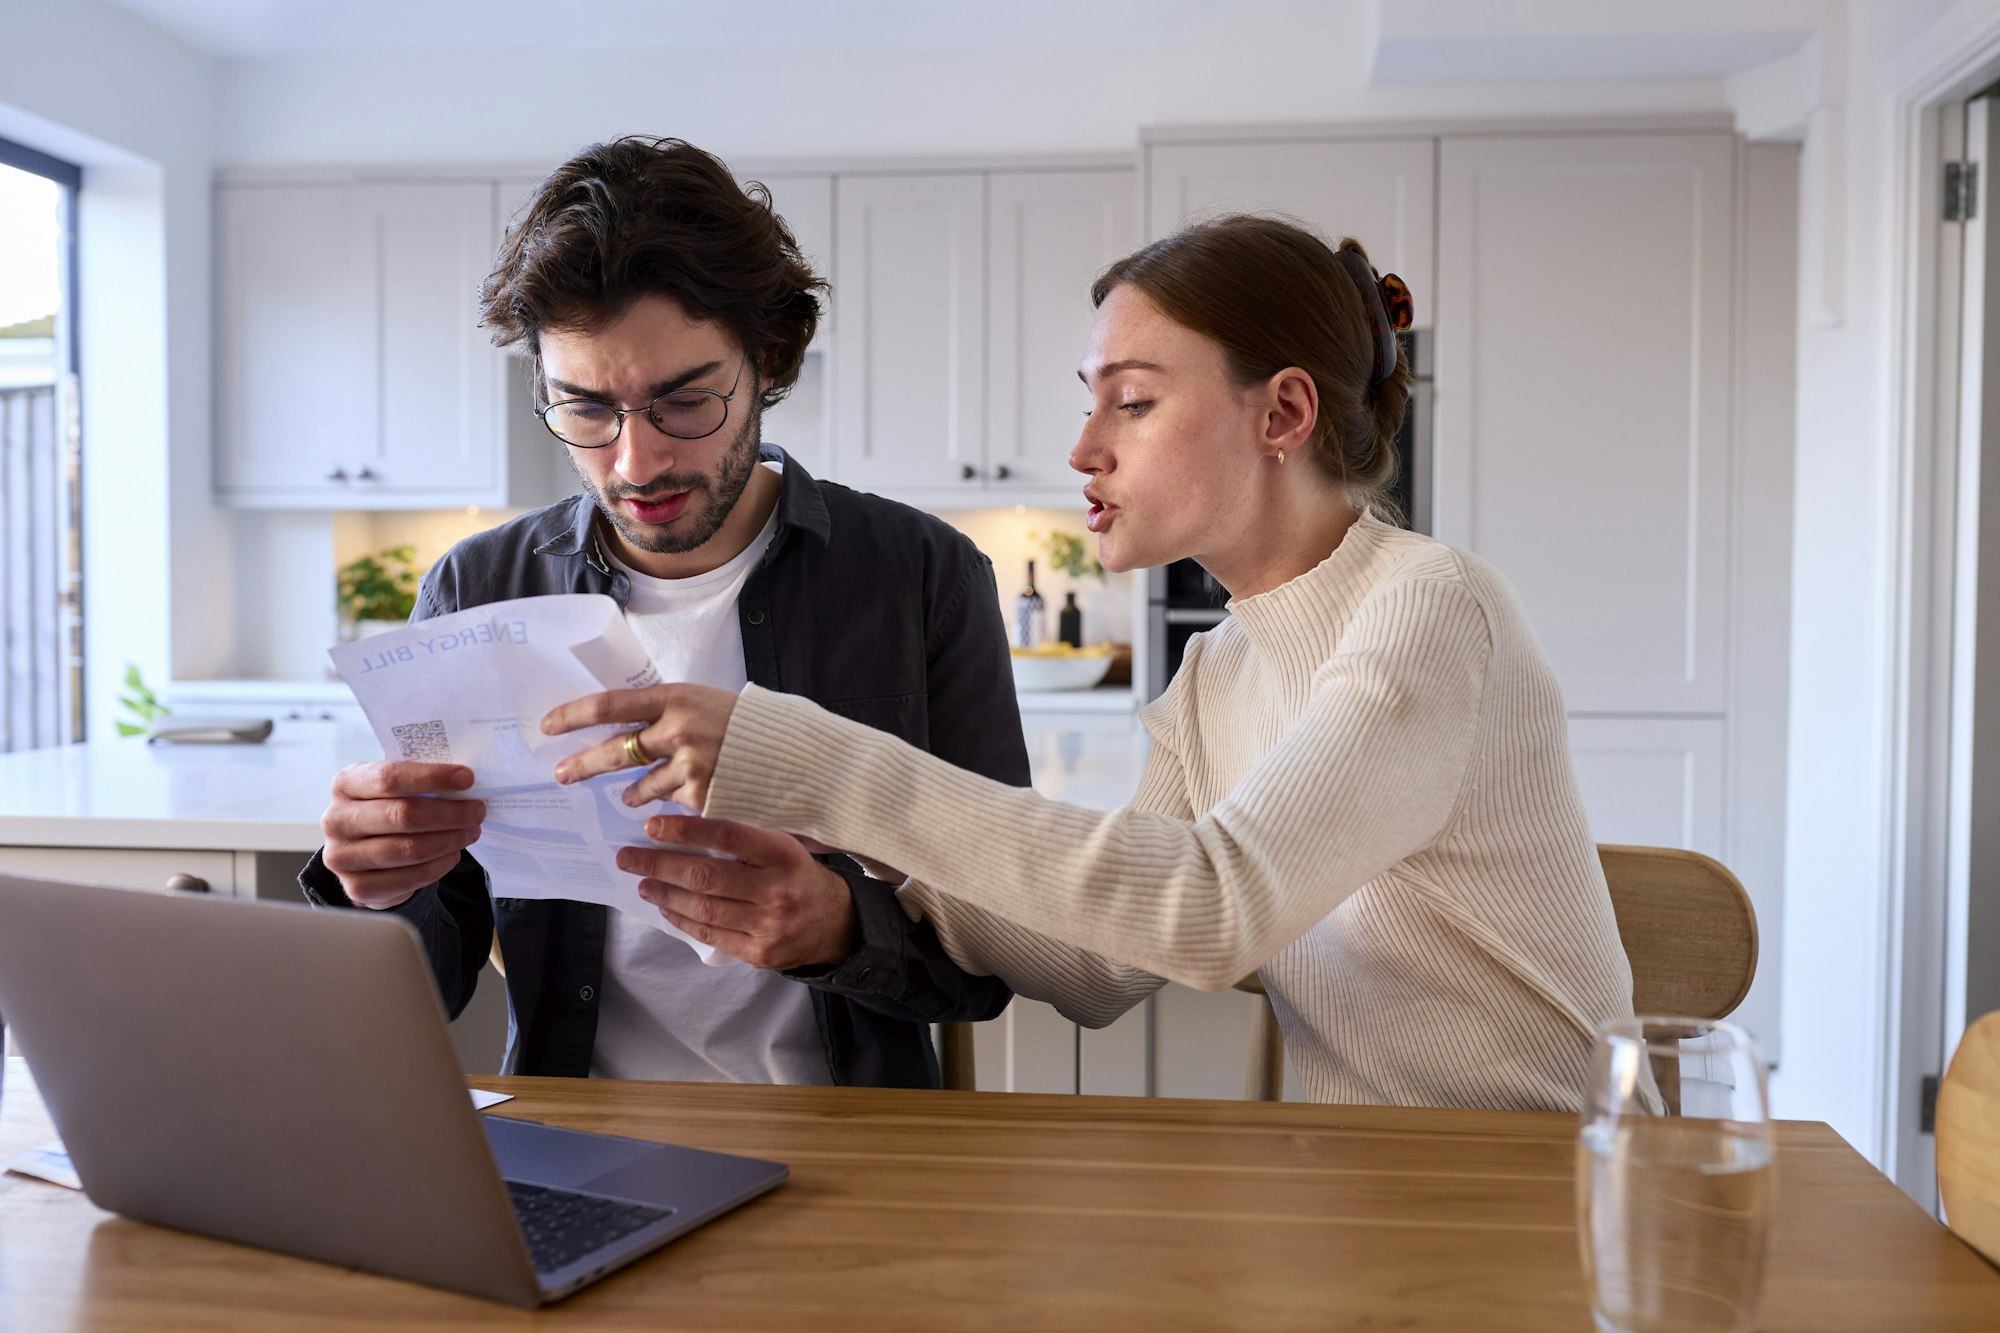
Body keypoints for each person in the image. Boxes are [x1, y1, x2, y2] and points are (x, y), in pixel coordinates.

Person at [547, 215, 1639, 1112]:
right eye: (1089, 398)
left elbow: (1209, 912)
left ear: (1283, 412)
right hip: (1367, 1201)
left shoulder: (1429, 608)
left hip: (1548, 1195)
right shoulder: (1219, 672)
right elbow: (1098, 967)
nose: (1083, 447)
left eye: (1133, 399)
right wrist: (849, 875)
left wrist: (815, 762)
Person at [304, 137, 1026, 1089]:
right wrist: (375, 885)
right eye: (586, 409)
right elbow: (429, 986)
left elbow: (996, 957)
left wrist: (840, 927)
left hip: (863, 1146)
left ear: (768, 360)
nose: (635, 462)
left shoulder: (923, 576)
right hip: (582, 1130)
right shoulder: (477, 588)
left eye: (684, 402)